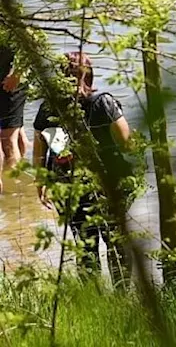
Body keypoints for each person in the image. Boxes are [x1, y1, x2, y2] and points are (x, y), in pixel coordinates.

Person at [33, 52, 137, 287]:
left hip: (67, 183)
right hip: (107, 182)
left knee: (84, 242)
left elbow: (41, 146)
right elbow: (127, 144)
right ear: (89, 75)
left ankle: (94, 298)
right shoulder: (103, 102)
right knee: (115, 241)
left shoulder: (49, 107)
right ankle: (121, 295)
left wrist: (40, 182)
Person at [0, 42, 28, 194]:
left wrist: (17, 74)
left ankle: (12, 194)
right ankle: (19, 178)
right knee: (17, 134)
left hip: (11, 83)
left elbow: (31, 44)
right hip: (8, 79)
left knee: (8, 141)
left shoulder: (13, 20)